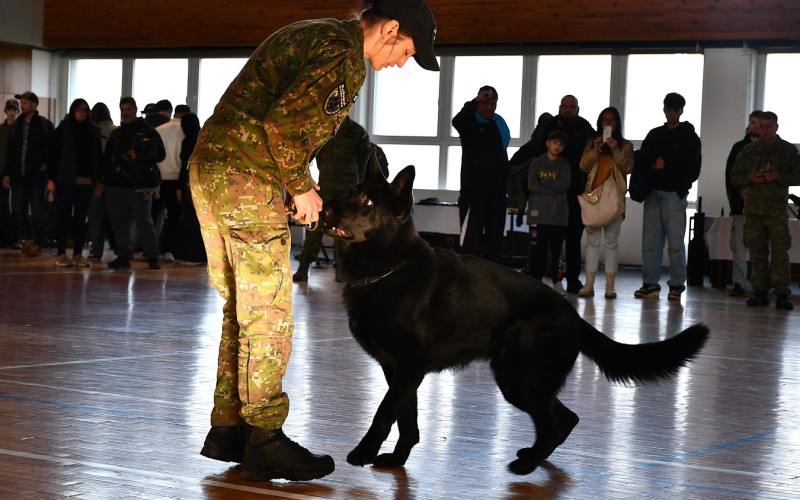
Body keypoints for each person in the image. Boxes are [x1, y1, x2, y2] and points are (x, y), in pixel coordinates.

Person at [188, 0, 439, 483]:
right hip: (246, 174)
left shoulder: (315, 32)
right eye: (407, 51)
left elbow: (270, 116)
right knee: (268, 314)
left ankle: (229, 430)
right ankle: (264, 437)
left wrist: (294, 184)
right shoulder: (345, 58)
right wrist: (300, 186)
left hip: (215, 168)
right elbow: (282, 127)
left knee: (240, 307)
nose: (403, 62)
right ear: (389, 29)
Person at [510, 95, 595, 293]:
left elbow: (593, 154)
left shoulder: (584, 128)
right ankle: (535, 280)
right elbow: (530, 150)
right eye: (564, 107)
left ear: (577, 109)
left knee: (571, 241)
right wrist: (510, 168)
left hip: (573, 196)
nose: (567, 110)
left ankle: (572, 280)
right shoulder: (546, 127)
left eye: (571, 107)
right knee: (538, 245)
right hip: (541, 203)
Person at [634, 92, 702, 301]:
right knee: (650, 243)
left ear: (681, 111)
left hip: (674, 195)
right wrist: (653, 165)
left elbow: (694, 167)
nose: (672, 113)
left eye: (675, 109)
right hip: (653, 194)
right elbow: (641, 158)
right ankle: (650, 283)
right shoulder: (654, 135)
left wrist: (682, 188)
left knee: (675, 244)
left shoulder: (690, 137)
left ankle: (676, 284)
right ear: (664, 110)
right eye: (669, 109)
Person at [732, 111, 800, 310]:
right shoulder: (749, 151)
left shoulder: (788, 150)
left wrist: (779, 177)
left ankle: (781, 294)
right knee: (757, 254)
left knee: (780, 254)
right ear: (757, 128)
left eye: (769, 126)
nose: (765, 130)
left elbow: (798, 176)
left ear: (777, 127)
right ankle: (759, 292)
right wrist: (749, 179)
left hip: (777, 211)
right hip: (753, 211)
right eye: (762, 126)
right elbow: (734, 177)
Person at [293, 115, 371, 282]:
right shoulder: (323, 129)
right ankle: (303, 267)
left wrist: (361, 186)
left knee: (343, 229)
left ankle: (341, 270)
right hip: (325, 186)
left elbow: (365, 158)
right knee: (314, 226)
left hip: (348, 190)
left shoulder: (356, 131)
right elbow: (309, 155)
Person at [99, 97, 165, 270]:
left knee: (144, 222)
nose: (125, 113)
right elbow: (107, 160)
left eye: (128, 109)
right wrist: (102, 181)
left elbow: (160, 155)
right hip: (115, 186)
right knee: (119, 224)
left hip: (139, 186)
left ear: (135, 109)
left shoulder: (149, 131)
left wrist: (142, 154)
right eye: (122, 110)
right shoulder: (117, 133)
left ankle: (152, 256)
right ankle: (123, 255)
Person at [578, 107, 634, 298]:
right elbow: (583, 166)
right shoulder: (591, 143)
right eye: (604, 120)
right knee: (592, 243)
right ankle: (589, 284)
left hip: (614, 200)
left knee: (612, 243)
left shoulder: (625, 145)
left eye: (611, 120)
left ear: (617, 123)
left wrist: (615, 148)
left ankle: (610, 286)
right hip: (593, 197)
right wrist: (595, 148)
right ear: (600, 123)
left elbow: (627, 167)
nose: (608, 123)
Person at [452, 85, 510, 262]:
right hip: (474, 194)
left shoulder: (499, 123)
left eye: (493, 103)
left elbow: (503, 153)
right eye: (485, 102)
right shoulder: (470, 123)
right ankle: (466, 283)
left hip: (498, 194)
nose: (489, 107)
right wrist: (475, 100)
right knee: (470, 243)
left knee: (495, 243)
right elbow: (457, 121)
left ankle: (490, 283)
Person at [46, 98, 103, 267]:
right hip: (65, 181)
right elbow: (53, 155)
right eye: (78, 109)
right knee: (63, 217)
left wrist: (98, 181)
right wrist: (51, 179)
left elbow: (97, 158)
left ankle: (78, 254)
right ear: (72, 111)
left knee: (80, 219)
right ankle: (62, 253)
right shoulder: (62, 129)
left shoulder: (93, 131)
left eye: (85, 110)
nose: (81, 112)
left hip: (85, 183)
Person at [2, 91, 55, 257]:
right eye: (22, 103)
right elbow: (11, 151)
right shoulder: (17, 125)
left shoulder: (44, 124)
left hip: (36, 176)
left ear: (34, 105)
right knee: (18, 209)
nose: (22, 106)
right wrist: (7, 174)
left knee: (37, 210)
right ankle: (28, 236)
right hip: (18, 175)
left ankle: (38, 241)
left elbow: (52, 148)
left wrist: (46, 165)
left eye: (25, 103)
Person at [526, 129, 571, 295]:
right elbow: (532, 185)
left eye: (560, 144)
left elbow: (564, 185)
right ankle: (533, 283)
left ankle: (557, 282)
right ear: (547, 143)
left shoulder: (564, 165)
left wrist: (543, 187)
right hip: (537, 216)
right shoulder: (537, 163)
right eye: (554, 142)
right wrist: (551, 188)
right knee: (537, 252)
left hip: (558, 217)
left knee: (557, 252)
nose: (557, 146)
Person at [724, 110, 762, 297]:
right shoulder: (739, 147)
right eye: (752, 122)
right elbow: (731, 174)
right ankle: (739, 283)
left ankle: (760, 285)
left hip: (764, 208)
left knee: (762, 249)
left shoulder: (770, 147)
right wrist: (740, 193)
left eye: (759, 123)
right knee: (739, 248)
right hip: (741, 206)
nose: (755, 126)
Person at [154, 102, 189, 262]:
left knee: (153, 215)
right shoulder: (187, 131)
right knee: (173, 216)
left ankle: (149, 248)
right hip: (177, 179)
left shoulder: (159, 130)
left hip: (159, 177)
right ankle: (168, 249)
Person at [88, 102, 117, 261]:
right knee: (117, 218)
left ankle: (97, 250)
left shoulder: (93, 132)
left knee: (95, 217)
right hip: (114, 181)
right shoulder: (116, 131)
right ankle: (120, 248)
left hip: (97, 180)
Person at [176, 112, 206, 264]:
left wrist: (180, 187)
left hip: (189, 186)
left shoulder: (187, 141)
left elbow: (184, 167)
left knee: (190, 222)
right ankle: (203, 256)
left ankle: (194, 255)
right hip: (203, 186)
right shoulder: (203, 139)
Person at [0, 99, 20, 247]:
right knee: (4, 206)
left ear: (17, 112)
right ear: (5, 111)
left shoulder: (22, 129)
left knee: (17, 207)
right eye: (9, 109)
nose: (12, 112)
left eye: (14, 110)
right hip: (1, 172)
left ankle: (15, 237)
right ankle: (7, 237)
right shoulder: (1, 129)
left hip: (18, 174)